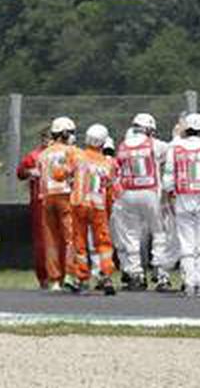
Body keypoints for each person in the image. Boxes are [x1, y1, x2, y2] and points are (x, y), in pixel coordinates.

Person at [162, 113, 200, 298]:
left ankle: (189, 283)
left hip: (183, 197)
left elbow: (168, 180)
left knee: (186, 241)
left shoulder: (176, 150)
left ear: (185, 129)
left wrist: (165, 200)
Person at [111, 113, 168, 292]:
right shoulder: (155, 145)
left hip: (128, 193)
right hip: (150, 192)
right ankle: (160, 273)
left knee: (131, 235)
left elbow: (116, 168)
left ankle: (136, 274)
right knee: (159, 233)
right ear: (149, 129)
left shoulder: (122, 145)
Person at [67, 124, 117, 295]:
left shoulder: (77, 156)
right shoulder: (108, 164)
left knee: (79, 241)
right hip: (98, 206)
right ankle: (107, 276)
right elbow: (110, 189)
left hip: (79, 204)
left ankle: (81, 278)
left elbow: (60, 174)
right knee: (103, 243)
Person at [38, 117, 79, 291]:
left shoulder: (43, 153)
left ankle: (54, 279)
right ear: (64, 133)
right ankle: (71, 274)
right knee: (71, 238)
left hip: (47, 197)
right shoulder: (72, 151)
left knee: (51, 240)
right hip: (65, 196)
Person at [16, 129, 52, 288]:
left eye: (51, 137)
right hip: (41, 202)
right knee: (42, 241)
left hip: (60, 201)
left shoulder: (65, 153)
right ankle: (44, 277)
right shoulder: (33, 156)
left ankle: (63, 275)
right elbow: (20, 172)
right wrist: (29, 172)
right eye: (45, 137)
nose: (48, 140)